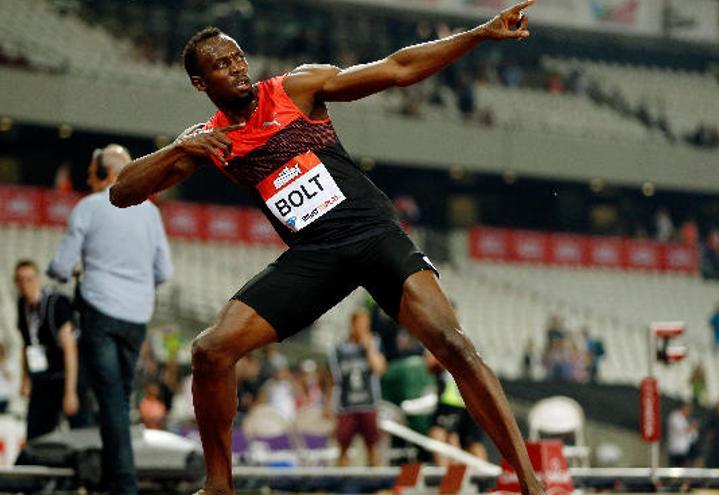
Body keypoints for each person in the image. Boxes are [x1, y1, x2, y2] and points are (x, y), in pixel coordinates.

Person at [109, 3, 544, 494]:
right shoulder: (211, 140)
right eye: (222, 65)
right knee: (210, 351)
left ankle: (530, 482)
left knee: (454, 345)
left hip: (372, 233)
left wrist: (480, 34)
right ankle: (218, 486)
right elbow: (121, 192)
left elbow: (397, 69)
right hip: (316, 256)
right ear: (200, 82)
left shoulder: (297, 88)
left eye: (238, 58)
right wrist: (178, 148)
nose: (237, 69)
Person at [48, 144, 173, 495]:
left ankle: (123, 483)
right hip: (136, 318)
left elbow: (60, 267)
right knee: (118, 399)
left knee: (110, 399)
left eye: (92, 172)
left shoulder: (88, 207)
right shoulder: (150, 213)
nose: (87, 178)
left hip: (100, 313)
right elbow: (164, 271)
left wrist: (64, 271)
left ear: (104, 174)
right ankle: (115, 478)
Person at [14, 260, 87, 440]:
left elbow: (70, 348)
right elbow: (26, 344)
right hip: (42, 377)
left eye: (29, 279)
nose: (25, 285)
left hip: (66, 376)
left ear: (38, 280)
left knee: (79, 429)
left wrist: (70, 391)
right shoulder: (23, 306)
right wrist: (25, 378)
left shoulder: (56, 304)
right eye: (20, 280)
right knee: (36, 432)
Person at [326, 310, 386, 466]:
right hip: (347, 406)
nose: (363, 329)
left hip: (368, 404)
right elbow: (333, 380)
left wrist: (369, 349)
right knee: (343, 446)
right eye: (360, 325)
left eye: (366, 326)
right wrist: (328, 405)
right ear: (352, 325)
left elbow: (379, 369)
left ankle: (375, 486)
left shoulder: (375, 343)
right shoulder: (338, 350)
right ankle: (341, 484)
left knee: (372, 446)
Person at [426, 350, 487, 466]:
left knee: (439, 434)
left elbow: (431, 364)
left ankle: (445, 477)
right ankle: (481, 481)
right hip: (474, 400)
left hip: (453, 400)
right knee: (470, 442)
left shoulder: (443, 339)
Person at [667, 402, 698, 467]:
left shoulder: (685, 418)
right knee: (676, 469)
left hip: (685, 449)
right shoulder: (674, 416)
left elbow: (693, 434)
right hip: (676, 449)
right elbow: (680, 430)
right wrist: (692, 427)